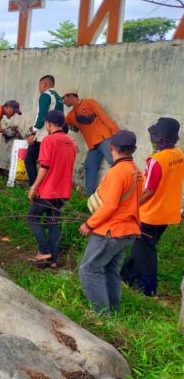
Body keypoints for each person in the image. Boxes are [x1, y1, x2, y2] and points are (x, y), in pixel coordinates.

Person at [78, 130, 143, 314]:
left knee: (89, 269)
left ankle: (101, 315)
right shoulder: (136, 171)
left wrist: (89, 224)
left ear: (111, 147)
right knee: (110, 270)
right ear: (134, 149)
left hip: (110, 231)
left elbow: (110, 205)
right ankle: (113, 312)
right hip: (128, 230)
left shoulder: (117, 172)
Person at [121, 117, 184, 296]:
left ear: (161, 139)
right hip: (167, 213)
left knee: (146, 253)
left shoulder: (156, 160)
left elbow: (149, 190)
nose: (151, 138)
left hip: (150, 214)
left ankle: (148, 290)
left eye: (154, 135)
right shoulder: (179, 155)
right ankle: (125, 277)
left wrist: (131, 205)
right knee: (141, 247)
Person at [26, 110, 77, 268]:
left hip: (48, 191)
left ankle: (44, 251)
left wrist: (34, 186)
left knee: (32, 218)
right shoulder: (71, 142)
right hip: (63, 192)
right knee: (53, 223)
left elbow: (45, 166)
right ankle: (53, 260)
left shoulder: (49, 140)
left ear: (48, 124)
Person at [63, 89, 120, 195]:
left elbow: (103, 116)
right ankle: (89, 195)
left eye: (64, 98)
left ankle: (122, 191)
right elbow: (60, 124)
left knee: (116, 163)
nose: (63, 101)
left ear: (71, 96)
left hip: (104, 138)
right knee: (89, 165)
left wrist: (115, 131)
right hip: (93, 145)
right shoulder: (71, 115)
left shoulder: (89, 102)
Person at [24, 75, 64, 185]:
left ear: (44, 84)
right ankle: (46, 186)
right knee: (48, 162)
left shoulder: (45, 95)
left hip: (43, 135)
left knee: (29, 159)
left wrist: (33, 132)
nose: (39, 88)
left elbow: (42, 115)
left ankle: (34, 186)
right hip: (55, 134)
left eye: (39, 85)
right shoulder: (59, 98)